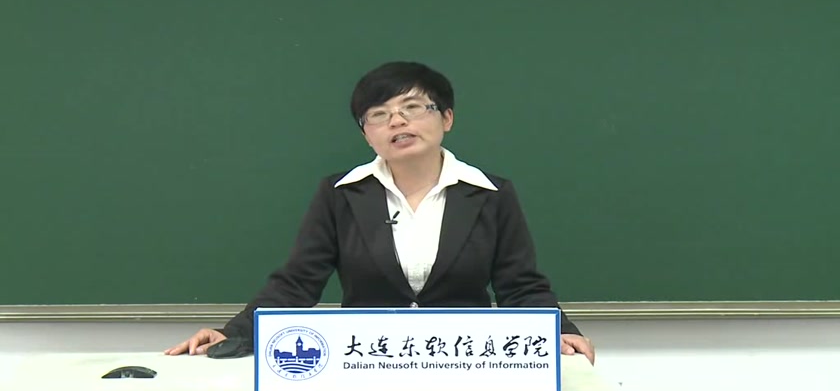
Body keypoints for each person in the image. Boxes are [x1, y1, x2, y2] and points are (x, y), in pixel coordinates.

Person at [164, 61, 595, 364]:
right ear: (367, 134)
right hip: (368, 361)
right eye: (379, 115)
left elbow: (520, 286)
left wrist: (561, 331)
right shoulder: (341, 194)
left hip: (464, 361)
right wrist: (234, 333)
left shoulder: (489, 193)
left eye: (412, 108)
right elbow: (296, 284)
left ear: (446, 118)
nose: (397, 121)